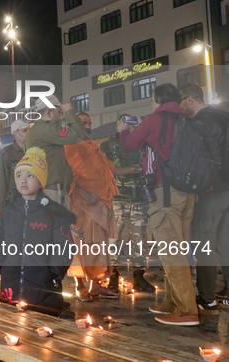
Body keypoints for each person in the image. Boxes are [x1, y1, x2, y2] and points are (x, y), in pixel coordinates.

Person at [118, 83, 198, 326]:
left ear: (158, 100)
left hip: (165, 195)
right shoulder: (186, 119)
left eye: (152, 100)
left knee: (171, 254)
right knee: (177, 251)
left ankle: (186, 311)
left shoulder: (154, 120)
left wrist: (123, 130)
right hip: (186, 193)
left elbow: (130, 145)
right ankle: (172, 303)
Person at [0, 147, 75, 317]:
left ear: (41, 181)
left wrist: (53, 273)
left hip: (43, 285)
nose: (23, 180)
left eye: (30, 176)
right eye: (19, 175)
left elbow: (64, 246)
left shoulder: (53, 213)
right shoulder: (7, 212)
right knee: (11, 325)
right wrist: (0, 266)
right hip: (10, 284)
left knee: (41, 327)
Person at [65, 113, 141, 301]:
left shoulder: (92, 145)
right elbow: (68, 176)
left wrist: (132, 169)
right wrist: (84, 193)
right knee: (80, 246)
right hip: (82, 205)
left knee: (99, 246)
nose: (89, 126)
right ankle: (80, 285)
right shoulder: (70, 145)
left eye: (90, 123)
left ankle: (96, 285)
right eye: (84, 123)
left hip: (101, 203)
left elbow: (111, 169)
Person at [179, 83, 229, 314]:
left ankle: (207, 299)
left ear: (190, 99)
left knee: (205, 244)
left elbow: (199, 159)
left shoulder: (199, 122)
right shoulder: (225, 116)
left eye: (181, 101)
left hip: (212, 190)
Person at [101, 114, 155, 293]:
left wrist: (143, 128)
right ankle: (113, 275)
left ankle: (138, 276)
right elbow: (103, 169)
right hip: (118, 198)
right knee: (113, 239)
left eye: (133, 125)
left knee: (139, 239)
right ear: (118, 125)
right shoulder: (109, 144)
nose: (131, 128)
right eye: (127, 125)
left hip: (140, 197)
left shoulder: (143, 143)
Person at [24, 96, 86, 208]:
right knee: (58, 225)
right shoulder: (47, 129)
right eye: (59, 112)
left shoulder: (34, 131)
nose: (61, 117)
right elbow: (80, 135)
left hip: (45, 191)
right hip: (52, 193)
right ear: (49, 112)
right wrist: (69, 112)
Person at [0, 120, 30, 208]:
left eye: (29, 130)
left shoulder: (32, 152)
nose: (28, 133)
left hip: (32, 199)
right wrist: (1, 205)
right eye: (24, 131)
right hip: (15, 201)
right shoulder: (6, 154)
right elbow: (2, 180)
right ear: (15, 134)